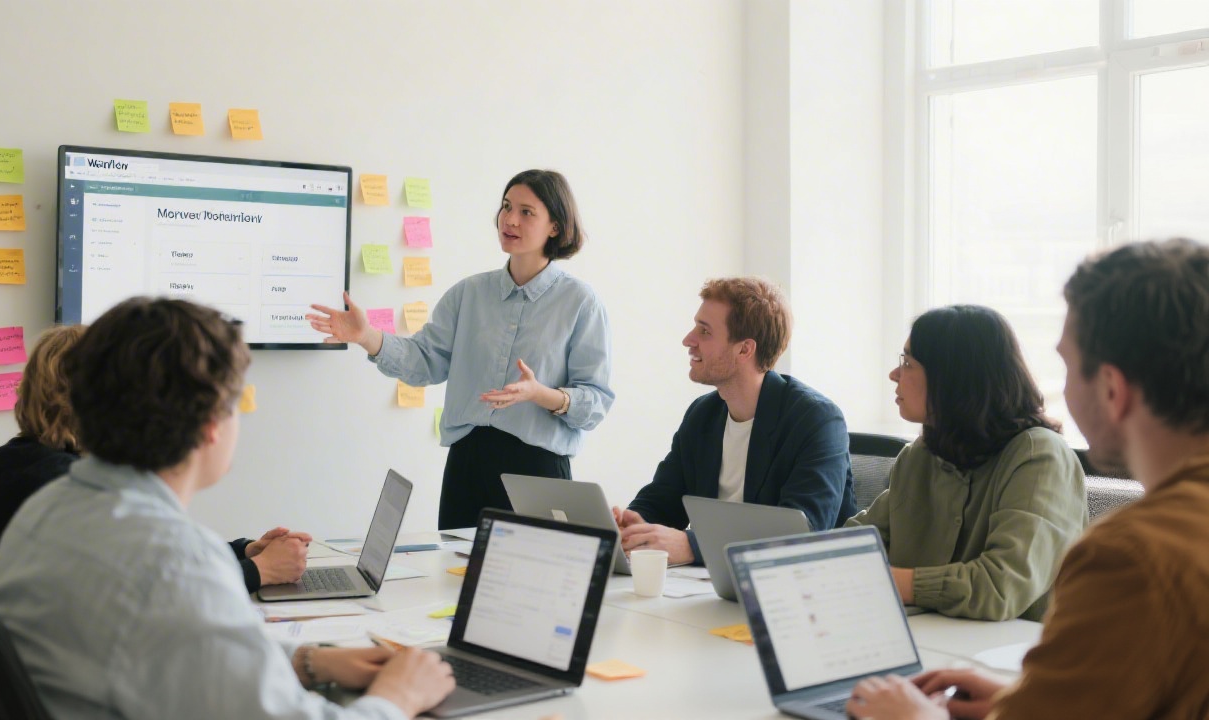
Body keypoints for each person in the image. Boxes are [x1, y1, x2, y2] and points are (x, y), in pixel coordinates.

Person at [0, 298, 454, 720]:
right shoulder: (175, 561)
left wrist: (307, 661)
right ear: (212, 426)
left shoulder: (47, 509)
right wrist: (399, 696)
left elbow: (174, 653)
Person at [847, 238, 1209, 719]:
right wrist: (1020, 702)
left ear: (1111, 389)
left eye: (1067, 365)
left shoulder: (1128, 557)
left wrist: (918, 718)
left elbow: (1002, 586)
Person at [308, 170, 613, 530]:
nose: (510, 219)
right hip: (467, 465)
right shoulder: (468, 294)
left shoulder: (580, 302)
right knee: (455, 580)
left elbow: (595, 402)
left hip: (538, 470)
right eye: (506, 207)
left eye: (527, 212)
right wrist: (367, 336)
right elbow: (424, 363)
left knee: (532, 581)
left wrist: (540, 394)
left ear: (555, 228)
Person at [0, 325, 311, 599]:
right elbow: (158, 588)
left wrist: (245, 551)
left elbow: (159, 557)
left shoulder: (10, 465)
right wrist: (259, 571)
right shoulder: (67, 488)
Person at [845, 305, 1087, 621]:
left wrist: (886, 580)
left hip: (1016, 658)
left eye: (908, 362)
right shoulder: (920, 455)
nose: (894, 374)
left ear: (952, 377)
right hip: (933, 640)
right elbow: (859, 541)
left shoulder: (1039, 457)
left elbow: (1000, 587)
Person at [611, 277, 857, 566]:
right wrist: (636, 524)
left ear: (744, 350)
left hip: (801, 590)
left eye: (704, 331)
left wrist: (694, 546)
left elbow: (802, 534)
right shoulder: (703, 415)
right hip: (714, 587)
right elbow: (664, 497)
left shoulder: (816, 420)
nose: (688, 340)